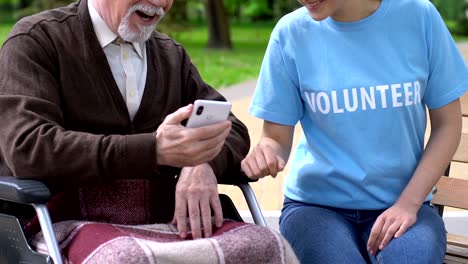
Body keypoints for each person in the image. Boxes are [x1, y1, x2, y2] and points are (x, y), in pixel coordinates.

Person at [241, 0, 468, 263]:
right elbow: (275, 139)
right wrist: (267, 151)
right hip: (316, 208)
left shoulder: (419, 16)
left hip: (406, 204)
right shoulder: (290, 33)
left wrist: (408, 204)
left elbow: (448, 124)